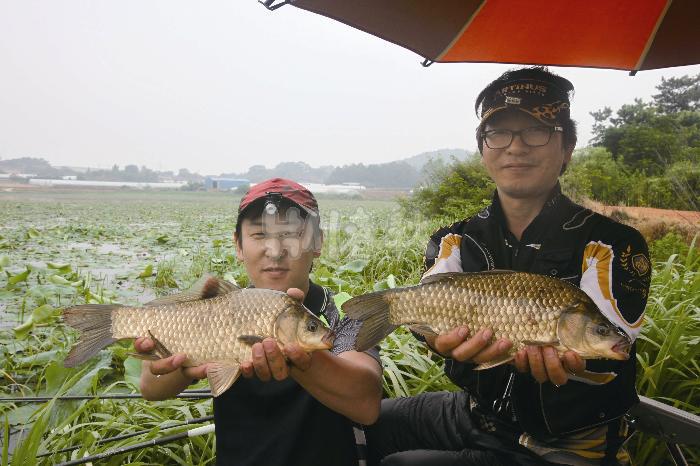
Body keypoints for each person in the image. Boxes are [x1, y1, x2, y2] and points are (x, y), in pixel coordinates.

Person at [366, 67, 651, 466]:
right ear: (484, 149)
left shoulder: (613, 244)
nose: (515, 147)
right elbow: (425, 312)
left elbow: (603, 344)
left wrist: (576, 358)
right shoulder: (456, 238)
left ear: (567, 147)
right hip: (478, 415)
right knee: (370, 424)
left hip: (570, 440)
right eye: (498, 133)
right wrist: (435, 340)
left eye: (536, 131)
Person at [136, 178, 383, 466]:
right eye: (259, 235)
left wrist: (294, 351)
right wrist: (186, 359)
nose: (275, 250)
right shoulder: (219, 310)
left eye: (291, 233)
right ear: (238, 246)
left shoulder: (345, 311)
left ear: (318, 243)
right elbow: (150, 388)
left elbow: (366, 404)